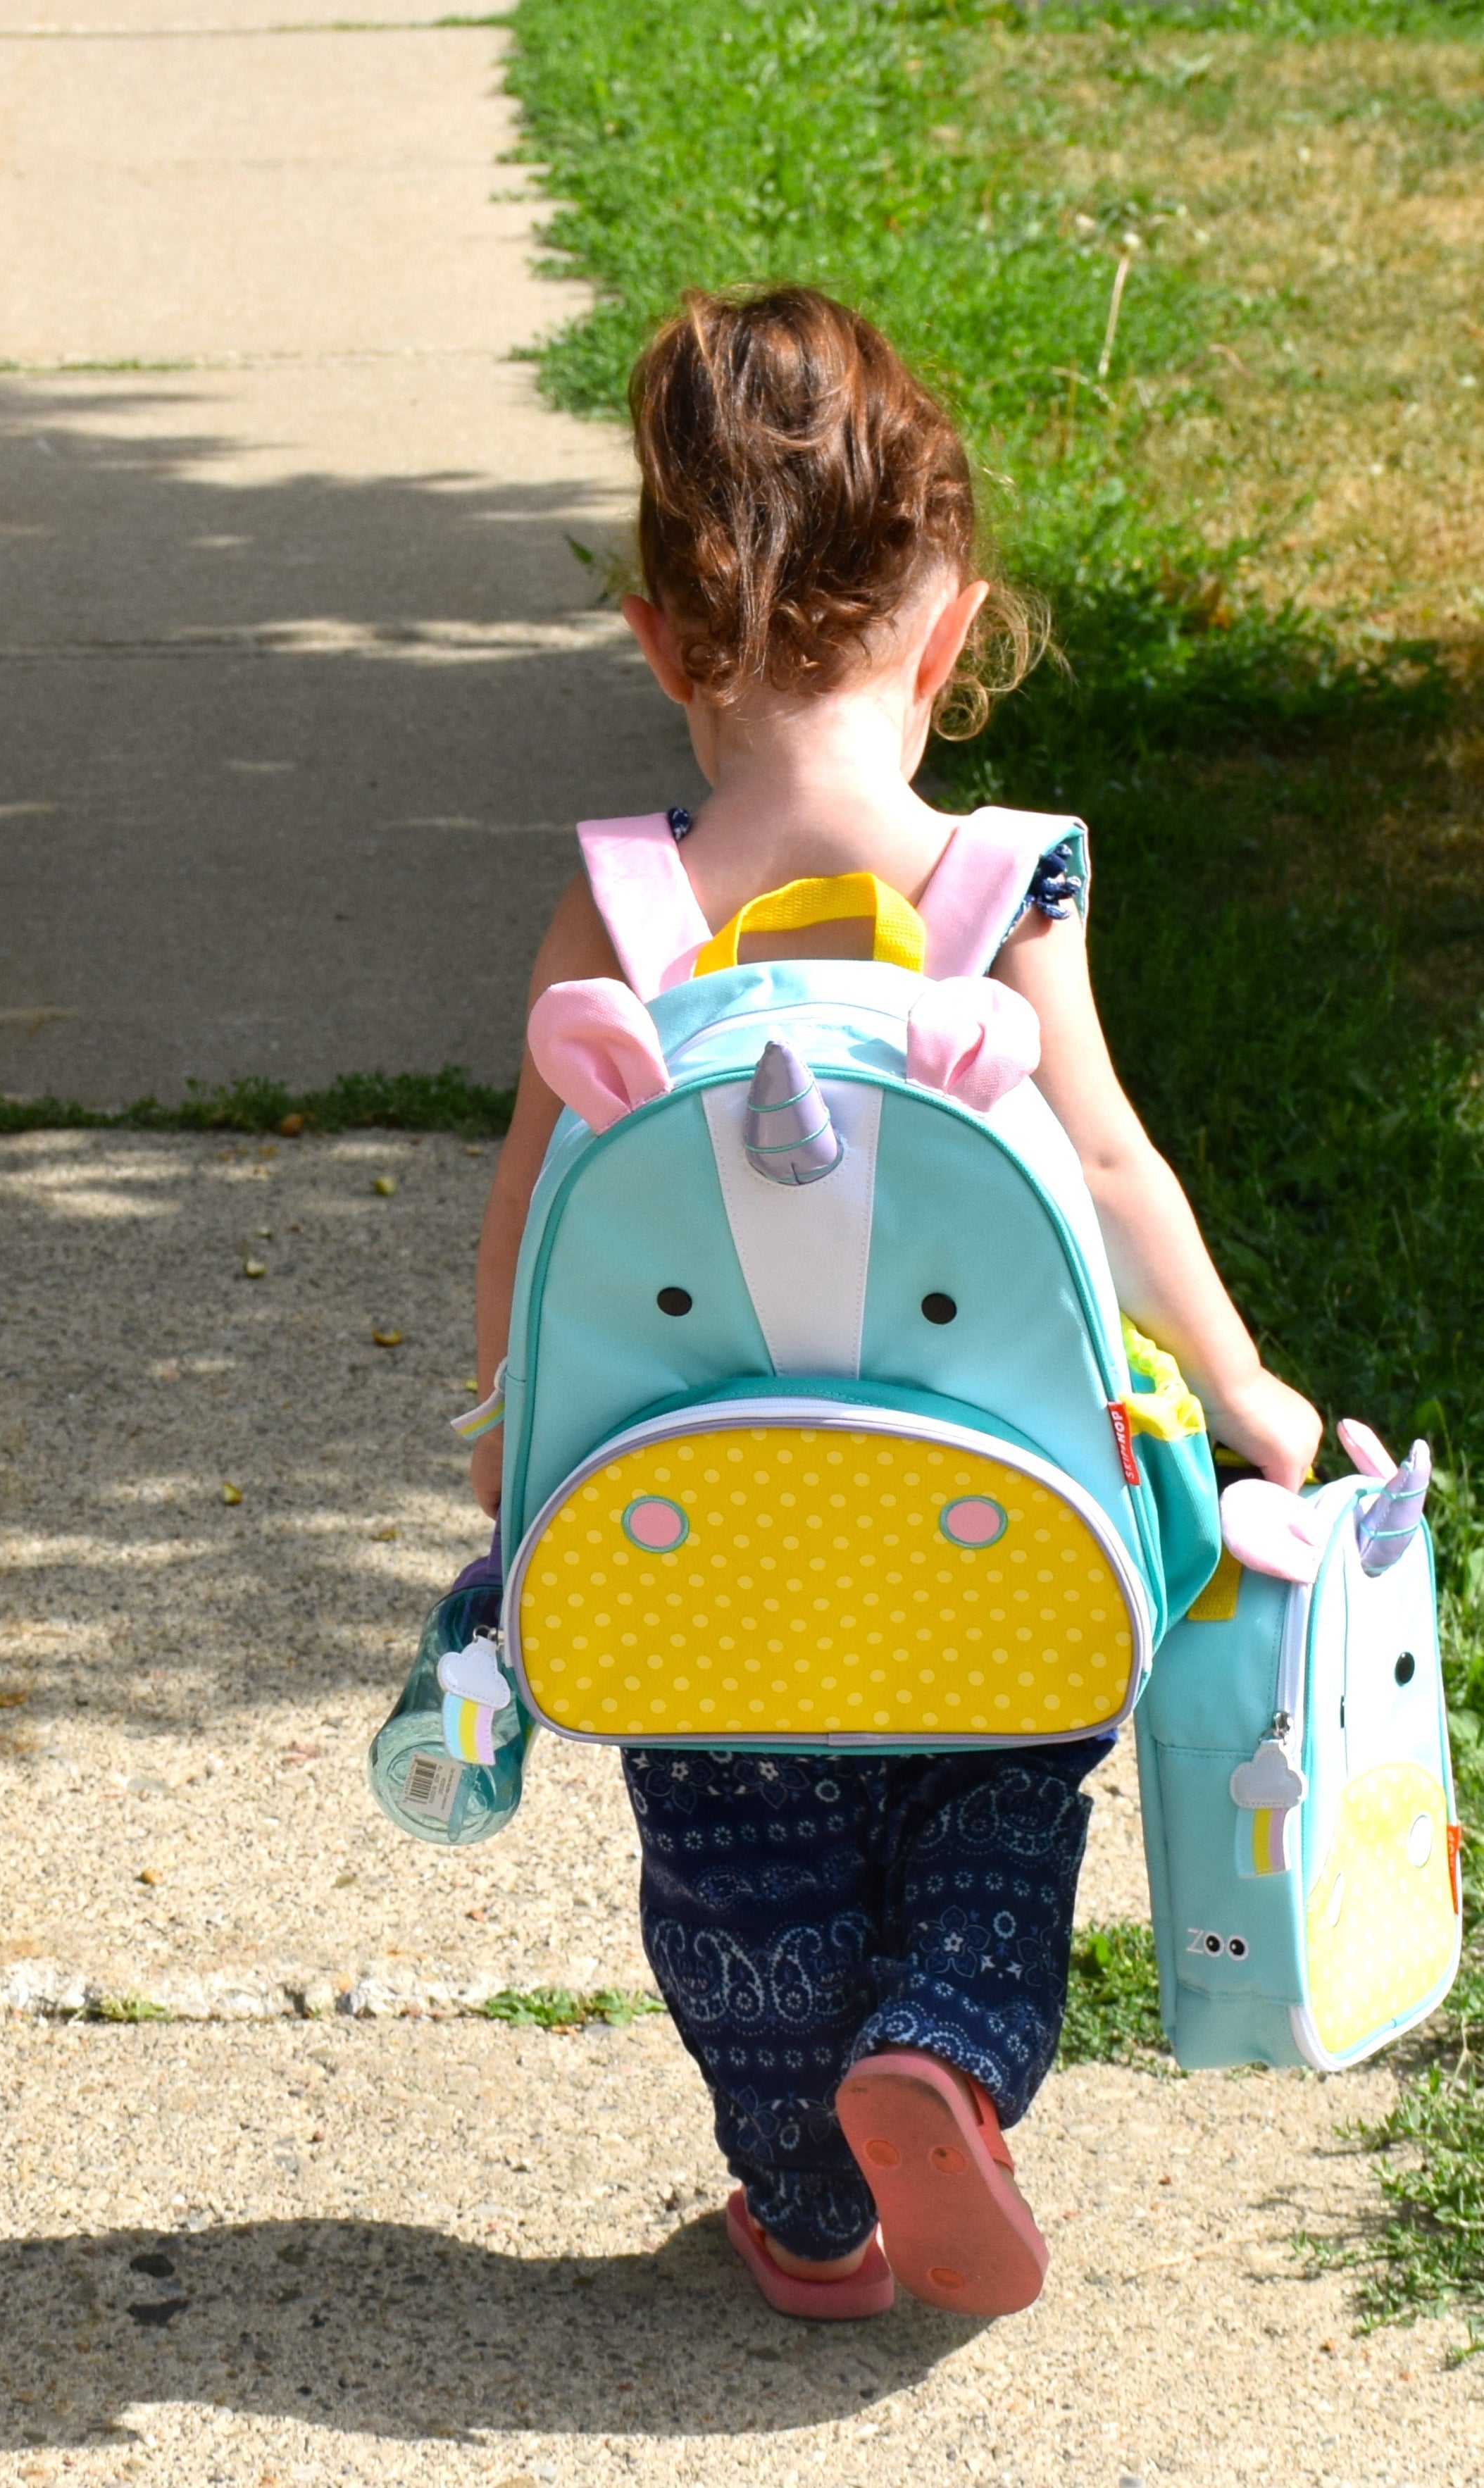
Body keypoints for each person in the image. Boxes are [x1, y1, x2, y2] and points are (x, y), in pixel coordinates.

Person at [464, 287, 1320, 2319]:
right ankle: (933, 2047)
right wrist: (1237, 1377)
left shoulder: (623, 900)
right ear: (949, 634)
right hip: (990, 1521)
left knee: (733, 1863)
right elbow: (1103, 1166)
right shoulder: (999, 884)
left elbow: (529, 1199)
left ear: (658, 639)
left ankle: (805, 2190)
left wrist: (513, 1451)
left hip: (691, 1534)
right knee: (994, 1813)